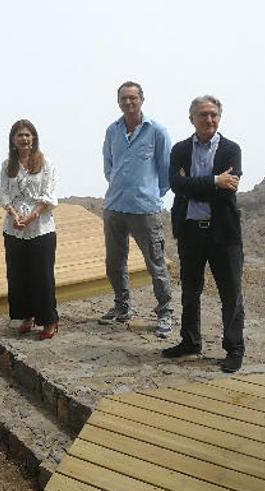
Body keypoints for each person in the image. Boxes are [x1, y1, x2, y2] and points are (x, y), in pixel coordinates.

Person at [162, 95, 245, 373]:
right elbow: (176, 184)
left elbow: (228, 188)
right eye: (202, 115)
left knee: (230, 294)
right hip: (191, 233)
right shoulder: (180, 149)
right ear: (191, 119)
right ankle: (190, 341)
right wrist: (214, 180)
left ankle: (234, 349)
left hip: (224, 234)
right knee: (190, 291)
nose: (209, 119)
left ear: (219, 117)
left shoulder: (232, 149)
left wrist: (194, 184)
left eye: (213, 115)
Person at [99, 81, 174, 337]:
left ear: (142, 99)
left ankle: (165, 313)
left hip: (145, 210)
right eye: (123, 98)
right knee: (114, 263)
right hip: (115, 206)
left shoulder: (156, 131)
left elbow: (166, 170)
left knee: (155, 264)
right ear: (118, 101)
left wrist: (152, 194)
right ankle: (122, 307)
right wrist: (120, 185)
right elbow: (108, 166)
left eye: (133, 97)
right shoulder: (112, 131)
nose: (128, 102)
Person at [0, 119, 59, 340]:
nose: (24, 139)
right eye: (20, 135)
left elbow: (49, 195)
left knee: (42, 275)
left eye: (27, 135)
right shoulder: (7, 165)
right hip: (14, 228)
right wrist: (14, 215)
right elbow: (4, 193)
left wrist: (32, 216)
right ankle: (27, 315)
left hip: (40, 226)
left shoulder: (46, 164)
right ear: (13, 140)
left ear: (33, 138)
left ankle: (49, 319)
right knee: (18, 274)